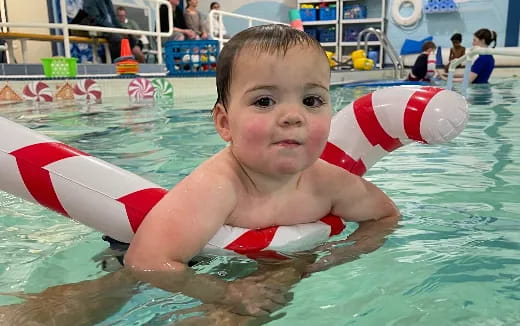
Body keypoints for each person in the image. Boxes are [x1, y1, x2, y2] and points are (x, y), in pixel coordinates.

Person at [0, 25, 400, 324]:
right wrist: (225, 291)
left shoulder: (328, 183)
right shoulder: (219, 184)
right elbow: (148, 260)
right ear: (225, 124)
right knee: (96, 297)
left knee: (267, 297)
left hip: (269, 258)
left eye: (312, 100)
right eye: (264, 100)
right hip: (161, 256)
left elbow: (385, 216)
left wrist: (338, 255)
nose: (293, 115)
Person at [79, 0, 144, 63]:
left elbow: (114, 18)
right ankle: (117, 63)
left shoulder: (108, 1)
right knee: (118, 38)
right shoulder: (90, 1)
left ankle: (140, 62)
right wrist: (114, 28)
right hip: (100, 28)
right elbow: (96, 18)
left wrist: (122, 29)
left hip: (111, 28)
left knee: (129, 35)